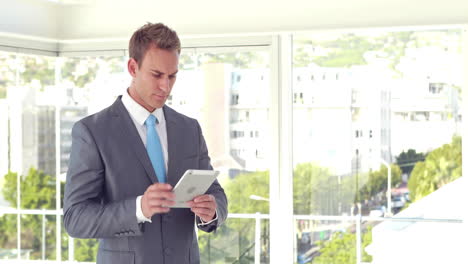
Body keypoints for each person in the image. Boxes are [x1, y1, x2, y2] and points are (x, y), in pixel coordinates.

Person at [63, 22, 228, 264]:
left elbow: (216, 193)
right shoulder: (93, 132)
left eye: (172, 76)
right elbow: (76, 219)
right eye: (157, 75)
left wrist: (212, 210)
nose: (166, 86)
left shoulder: (189, 129)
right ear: (133, 67)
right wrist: (138, 208)